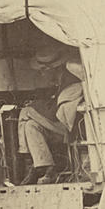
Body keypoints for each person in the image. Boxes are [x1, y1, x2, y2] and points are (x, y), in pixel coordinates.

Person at [18, 46, 85, 184]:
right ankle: (47, 168)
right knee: (30, 125)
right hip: (62, 128)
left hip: (71, 130)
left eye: (43, 71)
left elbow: (56, 114)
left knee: (25, 112)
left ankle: (28, 163)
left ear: (52, 69)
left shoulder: (71, 81)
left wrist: (33, 107)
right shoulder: (60, 81)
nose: (42, 75)